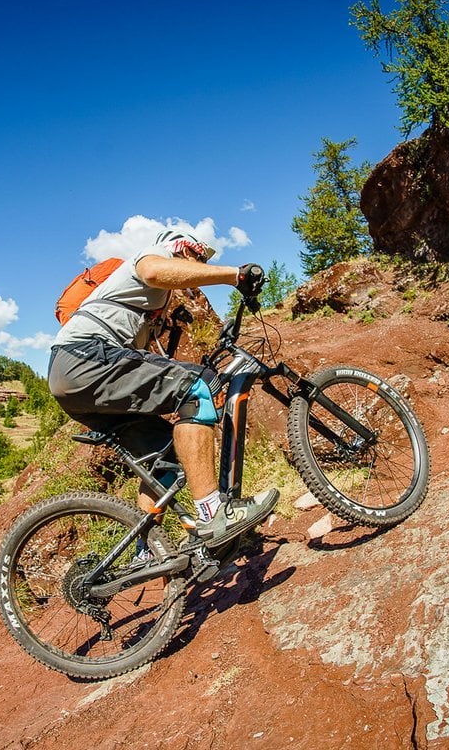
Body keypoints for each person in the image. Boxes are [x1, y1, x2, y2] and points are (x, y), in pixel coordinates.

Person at [48, 229, 277, 547]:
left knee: (164, 460)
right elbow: (154, 270)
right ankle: (213, 513)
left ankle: (148, 552)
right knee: (199, 386)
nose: (198, 265)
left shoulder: (143, 304)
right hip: (86, 358)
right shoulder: (154, 256)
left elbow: (149, 367)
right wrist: (234, 275)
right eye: (197, 257)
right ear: (185, 249)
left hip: (74, 376)